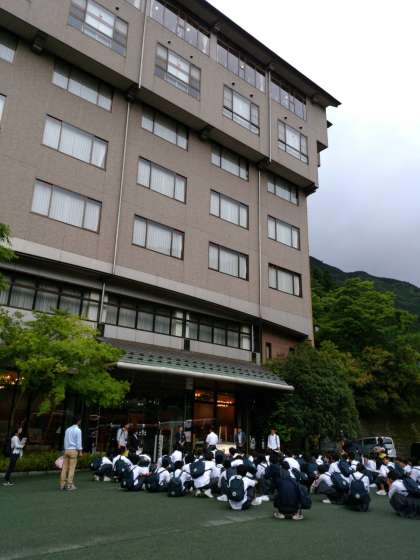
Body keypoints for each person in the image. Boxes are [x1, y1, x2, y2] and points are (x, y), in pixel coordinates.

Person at [60, 417, 83, 491]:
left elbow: (65, 440)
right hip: (73, 450)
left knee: (64, 468)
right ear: (79, 421)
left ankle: (62, 484)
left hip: (66, 450)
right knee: (71, 469)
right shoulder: (78, 430)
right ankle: (69, 485)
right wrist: (80, 451)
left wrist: (65, 449)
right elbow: (78, 442)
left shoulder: (67, 429)